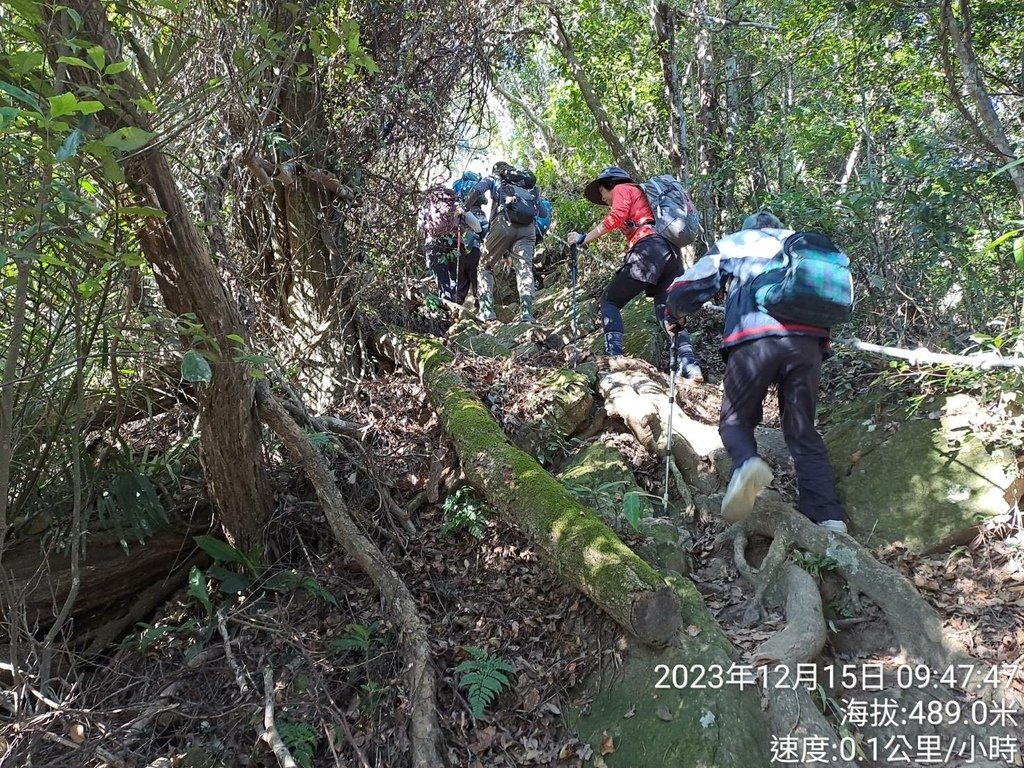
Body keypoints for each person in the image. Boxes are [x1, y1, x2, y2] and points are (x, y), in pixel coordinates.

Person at [664, 211, 849, 533]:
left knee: (735, 420)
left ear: (748, 227)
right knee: (802, 428)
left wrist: (673, 313)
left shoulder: (737, 242)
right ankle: (828, 516)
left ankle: (748, 464)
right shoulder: (800, 244)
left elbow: (690, 287)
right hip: (808, 345)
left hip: (753, 339)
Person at [565, 166, 702, 380]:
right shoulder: (642, 196)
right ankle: (691, 366)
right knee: (666, 313)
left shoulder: (622, 188)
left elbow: (616, 217)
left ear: (610, 184)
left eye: (602, 193)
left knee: (609, 300)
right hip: (670, 253)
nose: (604, 199)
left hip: (649, 249)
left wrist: (584, 238)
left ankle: (614, 356)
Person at [462, 161, 542, 323]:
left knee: (485, 266)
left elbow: (478, 190)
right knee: (524, 268)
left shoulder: (496, 177)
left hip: (503, 224)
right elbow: (543, 211)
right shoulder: (527, 184)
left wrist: (465, 207)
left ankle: (486, 311)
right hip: (528, 228)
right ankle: (527, 313)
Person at [416, 184, 481, 304]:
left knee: (443, 282)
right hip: (456, 242)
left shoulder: (427, 204)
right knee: (457, 280)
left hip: (433, 243)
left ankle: (447, 311)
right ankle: (457, 308)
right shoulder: (455, 201)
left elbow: (420, 228)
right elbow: (477, 226)